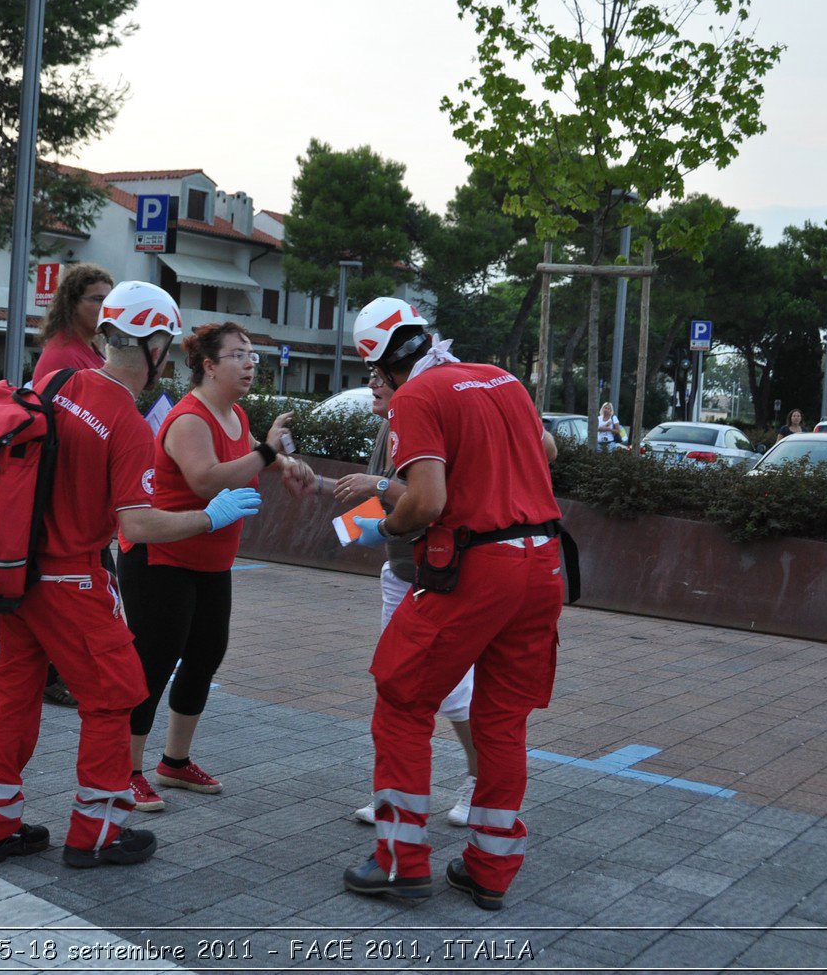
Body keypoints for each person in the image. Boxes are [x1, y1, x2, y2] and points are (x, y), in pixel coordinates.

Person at [0, 281, 262, 871]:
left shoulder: (55, 382)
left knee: (14, 689)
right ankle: (98, 831)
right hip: (73, 577)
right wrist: (211, 515)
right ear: (154, 345)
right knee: (117, 693)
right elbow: (140, 526)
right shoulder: (126, 422)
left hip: (15, 570)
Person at [340, 297, 568, 910]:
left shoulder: (417, 397)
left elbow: (428, 501)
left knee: (402, 698)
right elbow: (546, 452)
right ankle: (490, 868)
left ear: (380, 363)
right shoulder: (501, 377)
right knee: (502, 719)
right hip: (545, 565)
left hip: (475, 568)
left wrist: (388, 529)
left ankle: (400, 861)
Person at [120, 322, 317, 813]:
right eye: (238, 355)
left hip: (210, 558)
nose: (250, 364)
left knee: (207, 653)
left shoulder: (235, 415)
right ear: (208, 366)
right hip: (160, 555)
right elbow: (207, 480)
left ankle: (174, 761)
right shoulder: (191, 419)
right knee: (155, 661)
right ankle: (123, 770)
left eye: (252, 355)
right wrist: (267, 452)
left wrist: (286, 465)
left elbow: (245, 459)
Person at [331, 359, 479, 828]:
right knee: (393, 685)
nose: (372, 383)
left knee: (453, 693)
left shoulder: (438, 417)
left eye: (381, 374)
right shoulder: (391, 423)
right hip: (399, 572)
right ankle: (392, 790)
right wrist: (318, 492)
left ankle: (481, 781)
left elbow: (432, 499)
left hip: (439, 574)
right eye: (370, 373)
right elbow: (388, 501)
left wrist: (378, 488)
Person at [32, 262, 118, 709]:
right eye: (96, 299)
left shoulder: (89, 349)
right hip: (69, 497)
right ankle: (61, 673)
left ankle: (58, 671)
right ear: (72, 302)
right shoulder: (64, 354)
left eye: (109, 298)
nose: (105, 306)